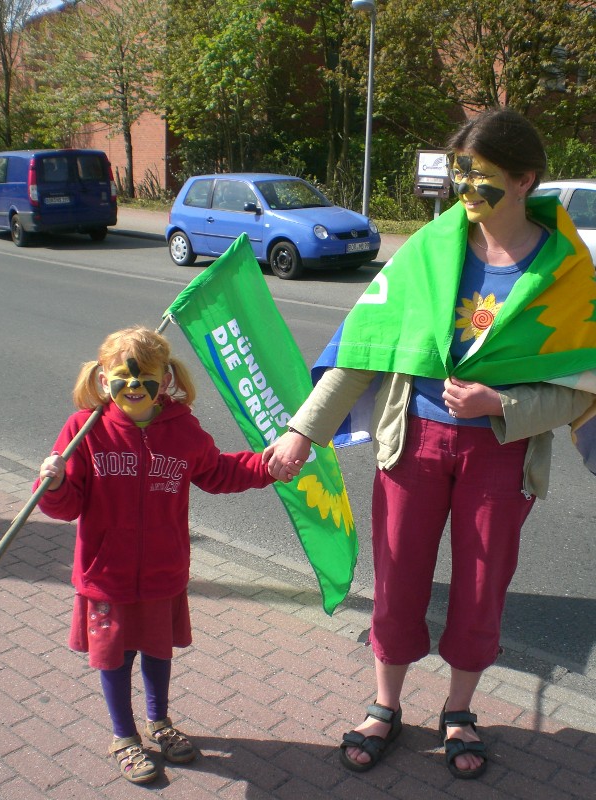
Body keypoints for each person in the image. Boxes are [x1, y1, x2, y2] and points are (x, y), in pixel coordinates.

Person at [263, 108, 596, 779]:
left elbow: (582, 390)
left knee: (481, 589)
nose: (464, 191)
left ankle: (459, 712)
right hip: (411, 443)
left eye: (482, 178)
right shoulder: (427, 249)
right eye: (458, 176)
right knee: (397, 579)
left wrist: (498, 403)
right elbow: (364, 351)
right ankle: (385, 706)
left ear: (527, 178)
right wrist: (304, 429)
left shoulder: (567, 272)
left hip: (500, 454)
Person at [36, 326, 280, 784]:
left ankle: (159, 721)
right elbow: (66, 506)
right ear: (104, 378)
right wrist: (53, 483)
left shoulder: (182, 429)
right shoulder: (84, 429)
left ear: (165, 379)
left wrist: (266, 465)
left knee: (157, 651)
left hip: (162, 572)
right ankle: (124, 736)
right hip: (106, 575)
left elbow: (218, 471)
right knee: (114, 657)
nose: (134, 387)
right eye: (123, 377)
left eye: (145, 377)